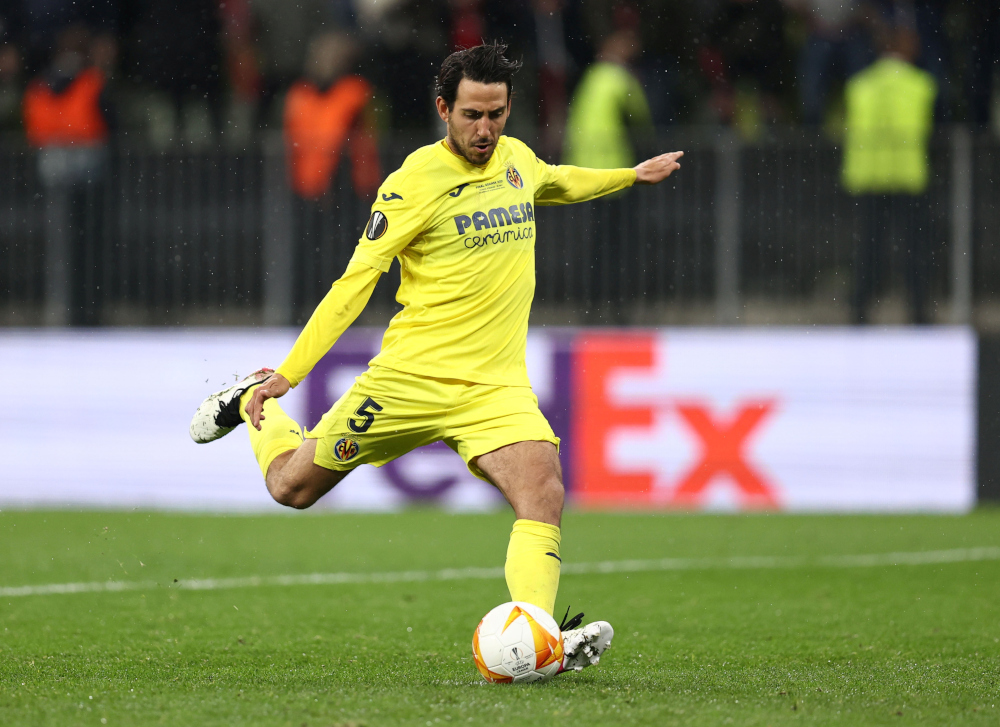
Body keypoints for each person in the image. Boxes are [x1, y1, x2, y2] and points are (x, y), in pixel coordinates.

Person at [190, 41, 682, 674]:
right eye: (472, 115)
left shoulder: (516, 160)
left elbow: (557, 181)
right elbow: (354, 284)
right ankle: (251, 397)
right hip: (410, 381)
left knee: (543, 490)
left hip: (494, 390)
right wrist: (288, 374)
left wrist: (628, 175)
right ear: (443, 108)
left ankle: (538, 641)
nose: (485, 130)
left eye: (497, 114)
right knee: (292, 486)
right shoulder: (410, 185)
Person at [842, 22, 936, 324]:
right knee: (914, 250)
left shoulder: (859, 85)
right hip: (907, 176)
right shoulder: (921, 84)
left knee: (869, 250)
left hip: (868, 176)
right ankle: (919, 312)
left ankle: (859, 312)